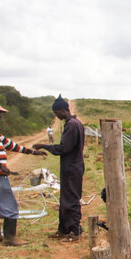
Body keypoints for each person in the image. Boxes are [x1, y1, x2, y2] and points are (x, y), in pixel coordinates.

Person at [0, 101, 46, 246]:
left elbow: (10, 145)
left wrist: (32, 152)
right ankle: (10, 238)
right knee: (9, 204)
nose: (0, 115)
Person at [33, 95, 86, 241]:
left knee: (71, 199)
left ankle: (75, 231)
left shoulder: (72, 125)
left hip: (72, 168)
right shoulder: (76, 123)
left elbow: (63, 148)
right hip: (72, 167)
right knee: (65, 199)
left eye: (56, 113)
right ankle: (63, 230)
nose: (56, 116)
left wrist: (44, 146)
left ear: (62, 110)